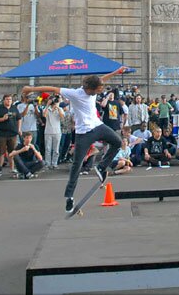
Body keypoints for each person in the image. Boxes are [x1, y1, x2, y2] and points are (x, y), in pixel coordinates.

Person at [20, 66, 127, 214]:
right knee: (76, 165)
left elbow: (104, 77)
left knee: (117, 142)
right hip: (83, 133)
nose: (99, 92)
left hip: (98, 126)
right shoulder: (75, 93)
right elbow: (53, 89)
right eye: (98, 90)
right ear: (90, 88)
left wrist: (117, 72)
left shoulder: (96, 85)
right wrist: (31, 89)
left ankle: (101, 167)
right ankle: (69, 197)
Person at [0, 94, 21, 172]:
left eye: (10, 99)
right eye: (7, 99)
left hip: (13, 133)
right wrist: (2, 119)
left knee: (12, 152)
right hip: (2, 134)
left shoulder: (14, 108)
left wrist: (19, 129)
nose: (9, 101)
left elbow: (19, 118)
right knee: (1, 152)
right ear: (4, 100)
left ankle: (12, 168)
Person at [41, 94, 65, 169]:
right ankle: (48, 164)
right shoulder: (47, 109)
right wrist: (48, 105)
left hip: (57, 132)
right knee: (48, 149)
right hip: (48, 131)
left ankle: (54, 163)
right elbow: (44, 115)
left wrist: (57, 107)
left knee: (56, 149)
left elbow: (62, 118)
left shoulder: (60, 109)